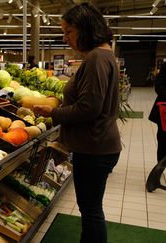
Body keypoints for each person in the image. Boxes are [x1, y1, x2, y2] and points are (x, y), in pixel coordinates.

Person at [32, 3, 121, 243]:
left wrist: (53, 112)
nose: (65, 37)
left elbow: (88, 108)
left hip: (94, 148)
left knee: (91, 211)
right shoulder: (105, 54)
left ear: (85, 28)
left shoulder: (96, 58)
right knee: (90, 209)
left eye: (69, 31)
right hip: (100, 145)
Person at [148, 62, 166, 167]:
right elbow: (159, 86)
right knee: (163, 141)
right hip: (164, 110)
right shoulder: (165, 66)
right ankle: (160, 168)